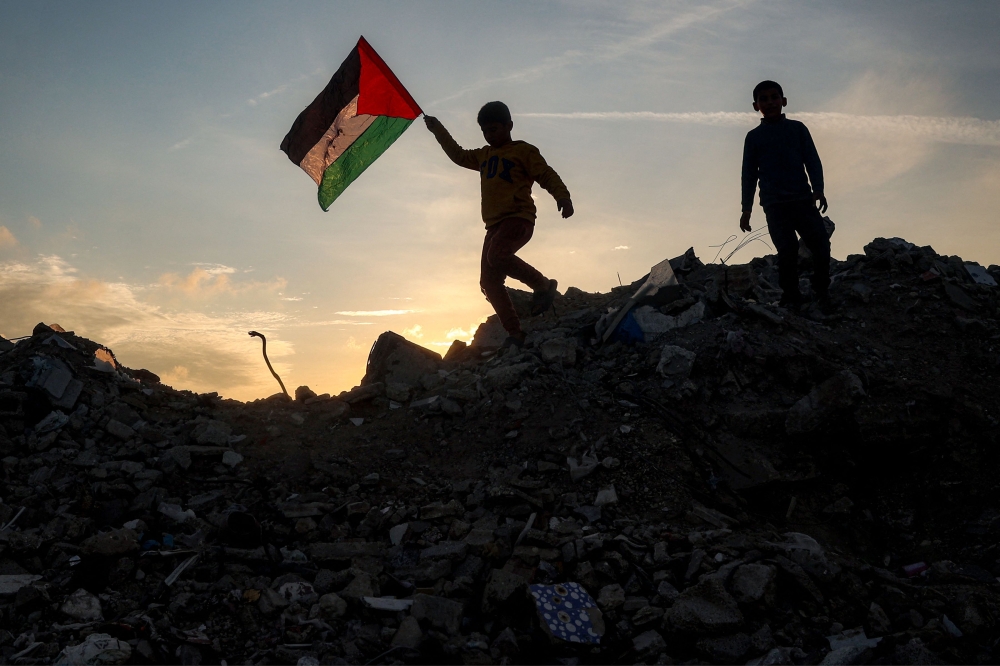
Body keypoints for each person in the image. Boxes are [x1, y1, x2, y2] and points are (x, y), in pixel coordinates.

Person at [424, 101, 573, 346]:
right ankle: (515, 333)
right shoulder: (484, 155)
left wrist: (563, 196)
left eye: (494, 129)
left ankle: (543, 286)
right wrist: (438, 129)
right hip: (493, 226)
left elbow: (545, 173)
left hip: (518, 218)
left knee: (498, 255)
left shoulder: (523, 151)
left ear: (509, 126)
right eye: (485, 131)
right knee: (489, 282)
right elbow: (458, 155)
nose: (489, 135)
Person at [740, 80, 831, 310]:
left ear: (784, 101)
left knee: (820, 243)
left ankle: (822, 290)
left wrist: (818, 189)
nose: (770, 102)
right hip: (774, 205)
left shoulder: (797, 129)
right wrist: (746, 209)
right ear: (755, 105)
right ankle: (791, 296)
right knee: (787, 250)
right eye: (764, 99)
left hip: (802, 198)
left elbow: (812, 159)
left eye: (774, 97)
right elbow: (749, 175)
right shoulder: (754, 138)